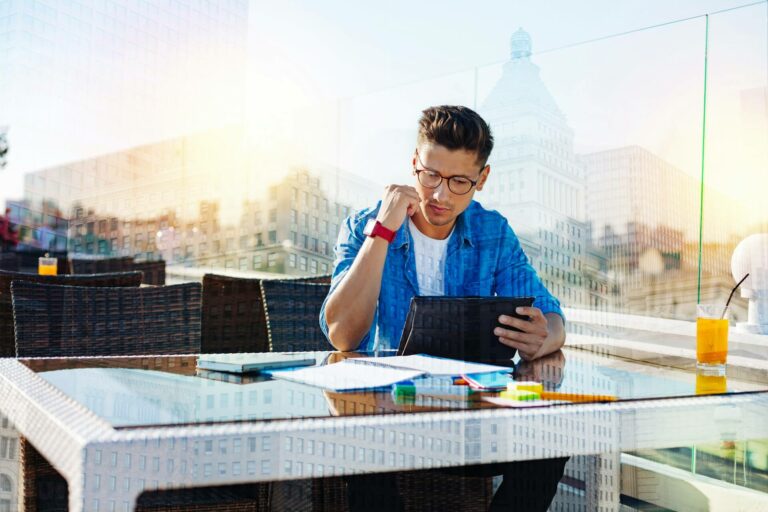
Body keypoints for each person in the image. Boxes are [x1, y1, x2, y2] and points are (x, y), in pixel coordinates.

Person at [319, 105, 568, 511]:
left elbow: (553, 317)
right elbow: (343, 335)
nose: (439, 195)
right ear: (414, 163)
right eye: (430, 175)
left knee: (550, 440)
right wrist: (382, 232)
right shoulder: (363, 226)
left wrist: (546, 335)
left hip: (470, 417)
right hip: (385, 418)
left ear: (482, 179)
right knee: (362, 440)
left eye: (458, 182)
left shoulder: (494, 233)